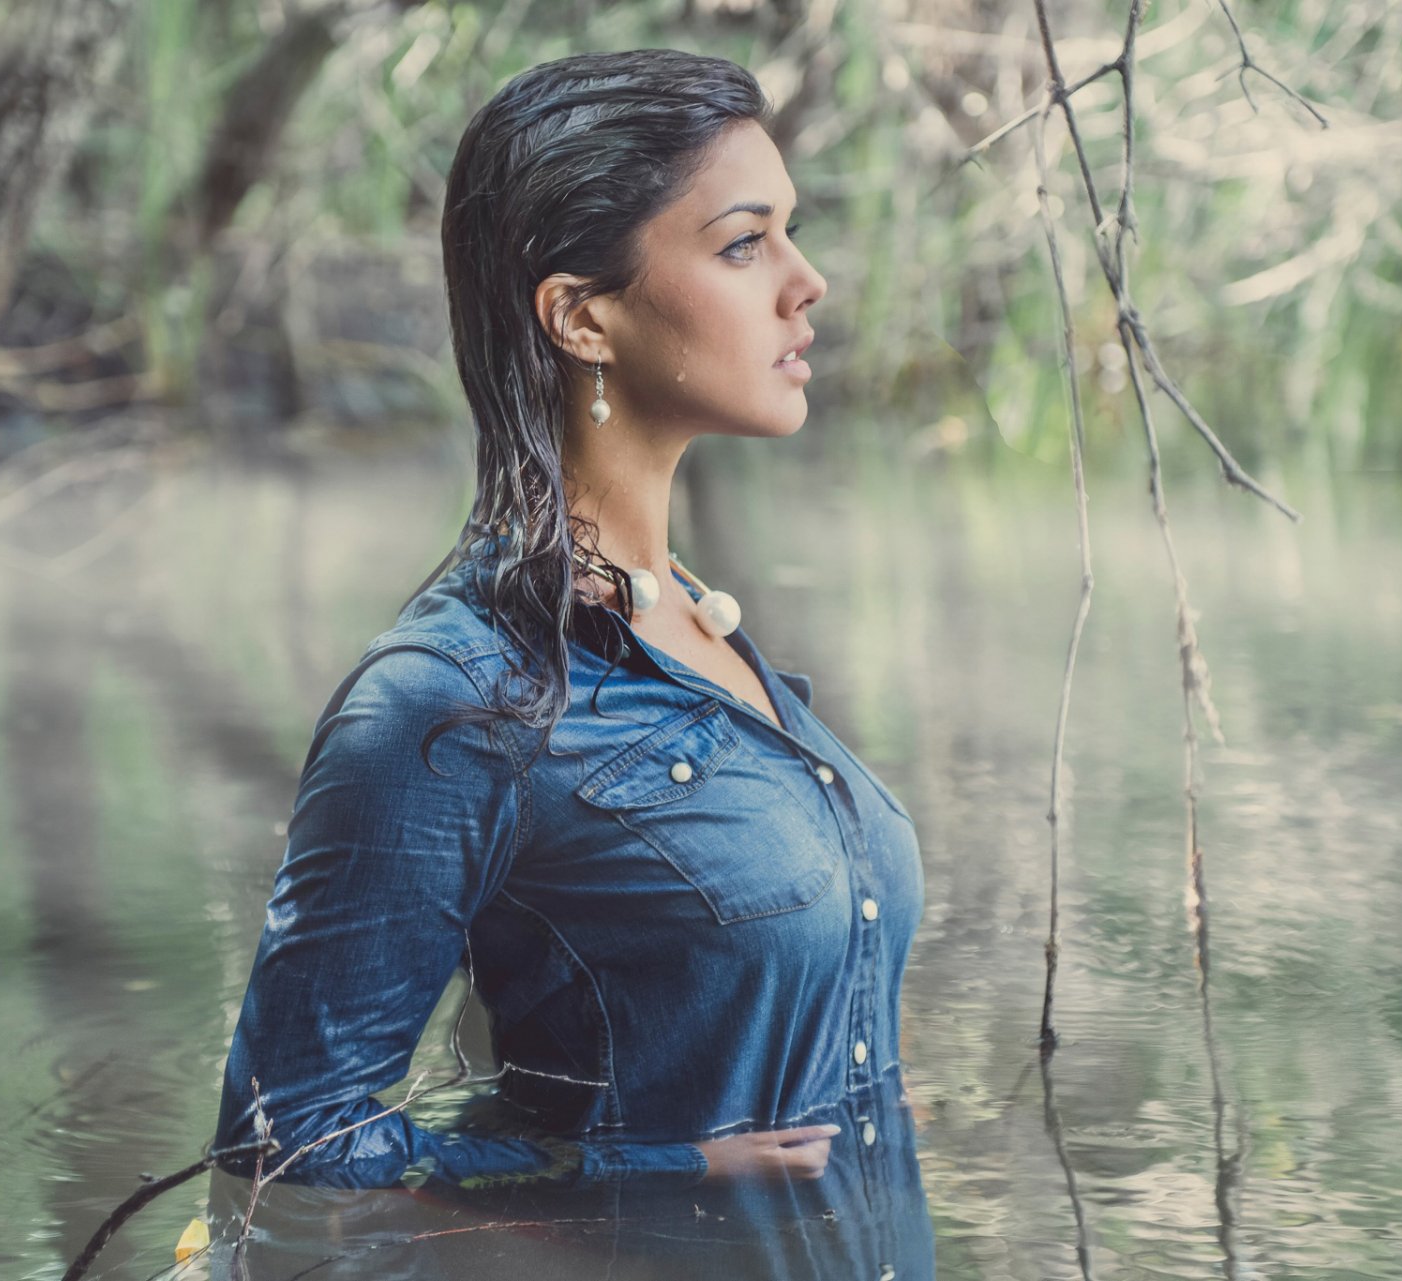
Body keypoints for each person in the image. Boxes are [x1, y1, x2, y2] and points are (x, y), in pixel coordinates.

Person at [212, 48, 925, 1206]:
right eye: (746, 244)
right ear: (583, 317)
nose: (809, 283)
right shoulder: (446, 699)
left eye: (790, 233)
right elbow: (288, 1147)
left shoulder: (700, 621)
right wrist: (657, 1167)